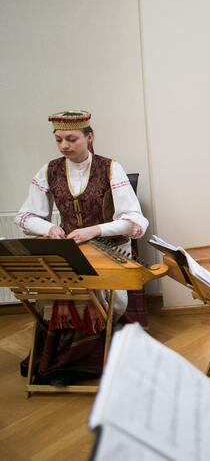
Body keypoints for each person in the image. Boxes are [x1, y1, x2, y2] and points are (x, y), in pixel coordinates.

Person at [15, 110, 149, 386]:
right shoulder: (49, 170)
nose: (64, 145)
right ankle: (60, 359)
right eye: (59, 140)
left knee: (97, 296)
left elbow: (136, 220)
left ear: (90, 137)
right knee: (55, 292)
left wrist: (95, 229)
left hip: (106, 252)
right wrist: (49, 228)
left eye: (71, 139)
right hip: (70, 252)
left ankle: (81, 359)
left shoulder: (111, 168)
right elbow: (24, 217)